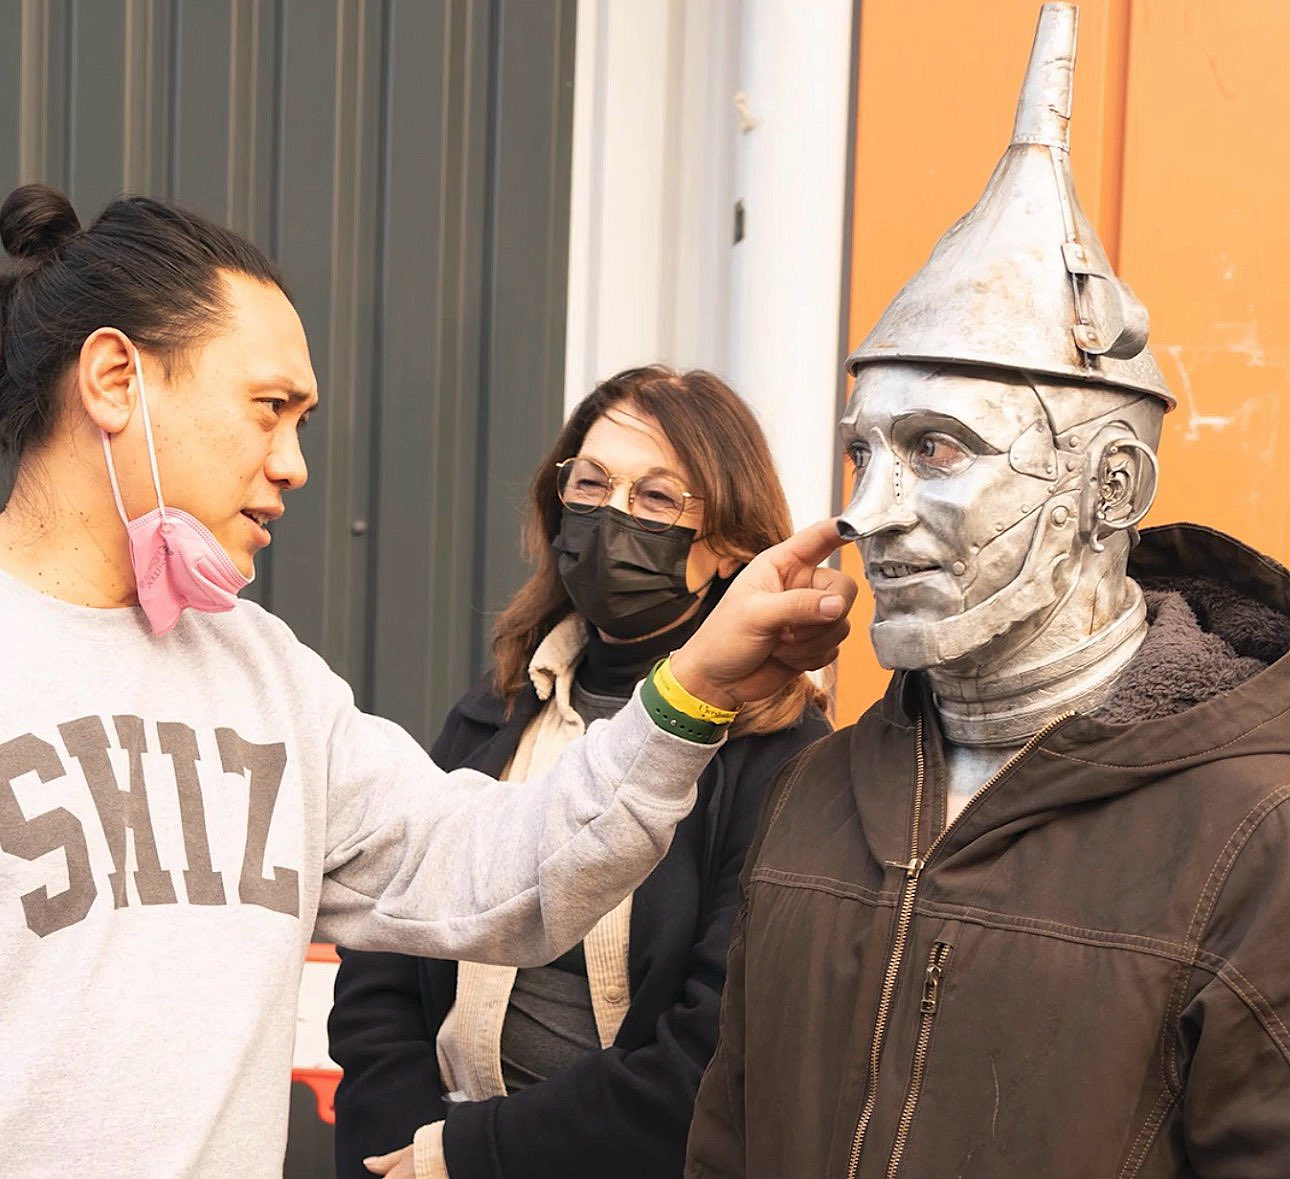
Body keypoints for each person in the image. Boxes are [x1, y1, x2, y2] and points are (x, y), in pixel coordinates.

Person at [0, 184, 856, 1179]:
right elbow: (382, 1003)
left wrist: (692, 686)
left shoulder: (269, 678)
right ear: (115, 380)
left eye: (302, 422)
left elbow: (506, 873)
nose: (295, 464)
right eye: (269, 409)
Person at [686, 5, 1290, 1177]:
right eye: (861, 453)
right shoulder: (817, 788)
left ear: (1110, 485)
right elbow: (727, 1139)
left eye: (937, 449)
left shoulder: (1259, 830)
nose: (866, 511)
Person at [329, 366, 832, 1179]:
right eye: (591, 484)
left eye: (657, 498)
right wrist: (405, 1149)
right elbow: (383, 955)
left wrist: (469, 1155)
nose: (610, 516)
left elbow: (711, 1054)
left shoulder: (780, 759)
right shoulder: (497, 709)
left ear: (730, 548)